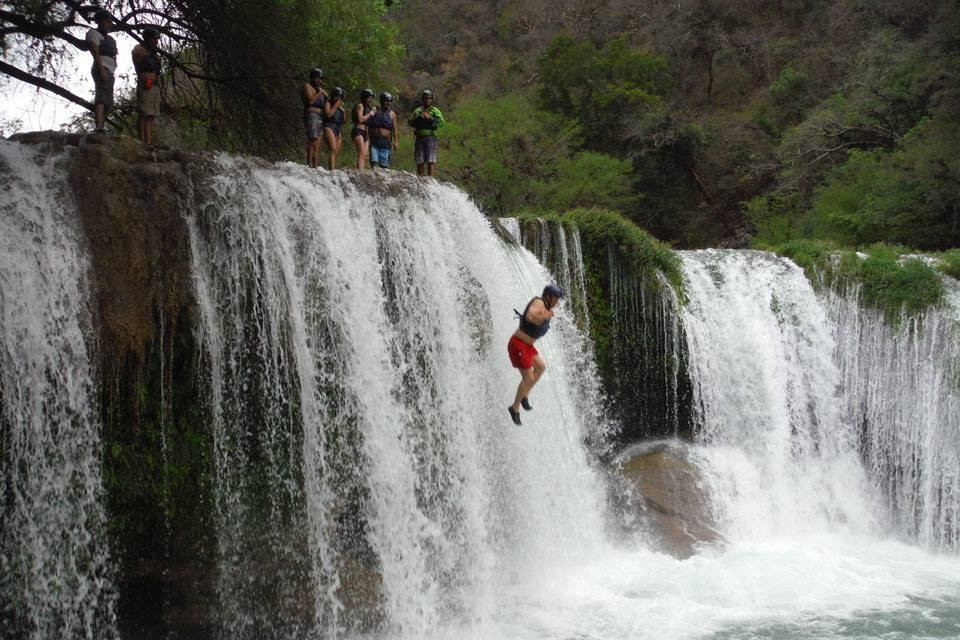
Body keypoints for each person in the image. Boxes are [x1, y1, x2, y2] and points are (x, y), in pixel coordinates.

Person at [507, 284, 564, 425]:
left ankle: (525, 395)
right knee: (528, 377)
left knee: (541, 367)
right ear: (548, 297)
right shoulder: (539, 302)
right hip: (518, 344)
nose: (557, 302)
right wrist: (545, 315)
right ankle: (514, 408)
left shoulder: (547, 309)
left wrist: (547, 315)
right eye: (555, 299)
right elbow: (530, 316)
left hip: (527, 346)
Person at [85, 9, 117, 133]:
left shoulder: (111, 39)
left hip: (110, 70)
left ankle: (102, 125)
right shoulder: (93, 33)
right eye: (108, 22)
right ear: (101, 22)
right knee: (101, 96)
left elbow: (114, 54)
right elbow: (95, 52)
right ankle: (98, 125)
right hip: (101, 67)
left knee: (108, 100)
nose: (110, 24)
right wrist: (101, 69)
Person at [132, 28, 164, 145]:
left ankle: (148, 140)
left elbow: (158, 73)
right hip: (145, 83)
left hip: (155, 85)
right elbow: (137, 54)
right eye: (154, 39)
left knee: (152, 114)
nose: (156, 41)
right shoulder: (139, 49)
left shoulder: (155, 56)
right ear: (148, 39)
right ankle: (142, 141)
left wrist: (161, 91)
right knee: (144, 113)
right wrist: (149, 52)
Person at [408, 89, 445, 177]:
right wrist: (418, 118)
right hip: (419, 137)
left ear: (432, 99)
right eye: (425, 98)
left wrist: (430, 118)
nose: (427, 100)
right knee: (419, 160)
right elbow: (410, 122)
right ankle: (420, 178)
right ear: (422, 99)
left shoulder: (435, 110)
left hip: (430, 137)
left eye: (429, 98)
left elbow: (441, 123)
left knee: (430, 159)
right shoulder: (417, 110)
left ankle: (431, 179)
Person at [301, 69, 327, 168]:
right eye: (318, 78)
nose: (319, 80)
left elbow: (326, 102)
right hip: (312, 115)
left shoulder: (319, 89)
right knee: (312, 140)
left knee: (318, 143)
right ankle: (309, 164)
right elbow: (310, 101)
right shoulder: (308, 87)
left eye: (320, 79)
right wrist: (320, 93)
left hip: (320, 117)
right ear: (312, 78)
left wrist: (324, 93)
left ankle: (315, 166)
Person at [367, 92, 398, 169]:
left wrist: (396, 142)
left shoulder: (392, 114)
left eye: (390, 101)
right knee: (374, 163)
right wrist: (367, 138)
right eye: (386, 101)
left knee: (384, 165)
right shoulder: (375, 110)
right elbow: (368, 125)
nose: (388, 103)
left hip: (385, 142)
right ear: (382, 101)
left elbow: (395, 129)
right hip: (374, 141)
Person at [322, 86, 346, 170]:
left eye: (339, 97)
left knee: (336, 152)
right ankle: (331, 170)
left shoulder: (340, 107)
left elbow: (343, 121)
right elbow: (328, 115)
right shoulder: (328, 103)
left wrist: (343, 111)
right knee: (333, 148)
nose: (338, 98)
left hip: (337, 128)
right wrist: (335, 106)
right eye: (337, 96)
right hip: (329, 126)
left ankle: (332, 168)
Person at [351, 88, 375, 170]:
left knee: (364, 154)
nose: (371, 99)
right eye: (370, 97)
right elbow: (360, 119)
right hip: (358, 130)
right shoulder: (360, 105)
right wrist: (370, 114)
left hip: (365, 132)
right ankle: (359, 172)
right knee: (361, 153)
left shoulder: (368, 107)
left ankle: (361, 170)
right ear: (365, 97)